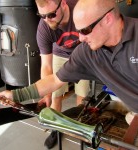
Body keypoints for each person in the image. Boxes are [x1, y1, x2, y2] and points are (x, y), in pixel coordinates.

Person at [0, 0, 138, 147]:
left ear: (107, 19)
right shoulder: (87, 52)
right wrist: (16, 95)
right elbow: (55, 80)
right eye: (78, 30)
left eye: (85, 30)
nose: (80, 38)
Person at [35, 0, 91, 148]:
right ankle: (56, 128)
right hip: (59, 54)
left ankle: (80, 128)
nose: (47, 20)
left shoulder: (80, 9)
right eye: (42, 16)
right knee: (55, 94)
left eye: (51, 14)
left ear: (64, 4)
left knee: (83, 94)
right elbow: (46, 65)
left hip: (82, 54)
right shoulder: (44, 28)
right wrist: (46, 93)